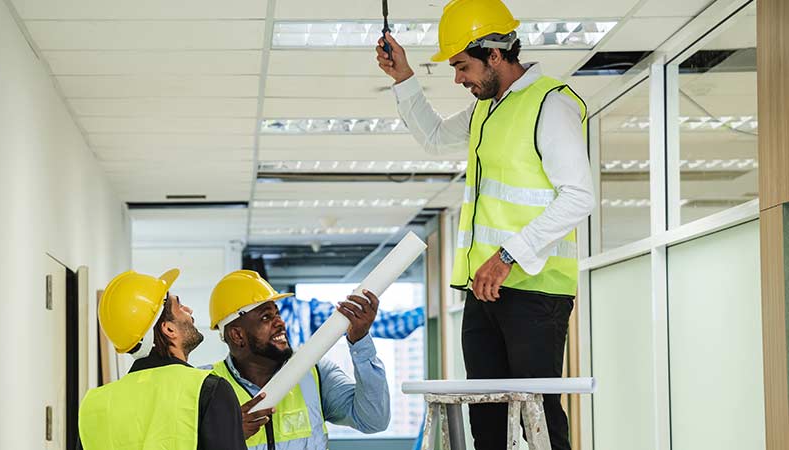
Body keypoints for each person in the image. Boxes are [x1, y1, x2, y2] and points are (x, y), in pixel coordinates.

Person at [375, 1, 595, 449]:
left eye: (462, 66)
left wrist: (509, 254)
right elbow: (434, 137)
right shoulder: (487, 109)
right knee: (486, 424)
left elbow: (579, 197)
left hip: (535, 291)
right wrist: (404, 78)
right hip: (484, 290)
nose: (458, 78)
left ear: (495, 55)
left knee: (540, 417)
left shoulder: (549, 105)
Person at [204, 270, 390, 450]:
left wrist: (360, 340)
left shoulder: (313, 371)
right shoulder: (205, 386)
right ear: (237, 335)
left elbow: (374, 420)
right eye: (266, 317)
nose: (280, 322)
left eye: (277, 314)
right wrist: (225, 435)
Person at [78, 269, 246, 450]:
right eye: (179, 306)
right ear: (169, 330)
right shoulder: (208, 389)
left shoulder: (93, 405)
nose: (188, 310)